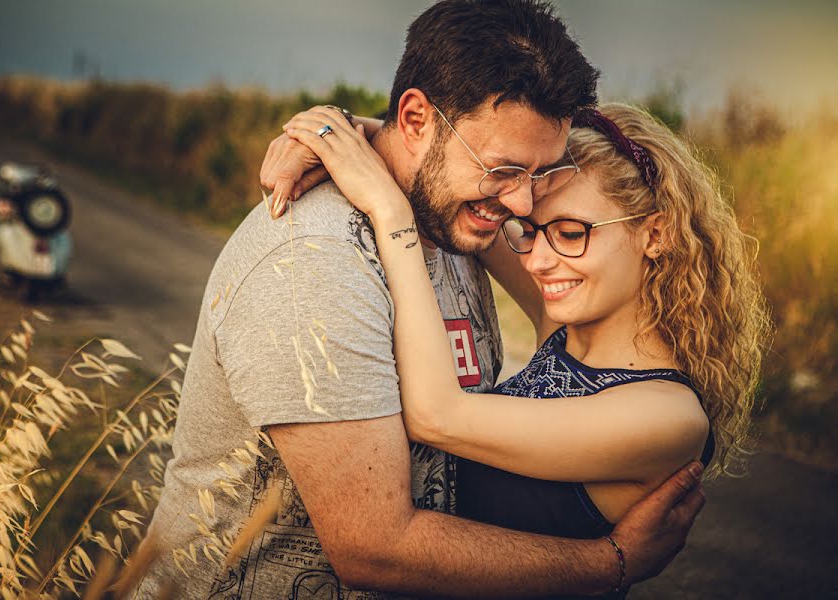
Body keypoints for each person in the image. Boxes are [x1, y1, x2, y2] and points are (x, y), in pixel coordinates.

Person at [138, 2, 707, 598]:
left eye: (536, 174)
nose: (523, 209)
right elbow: (372, 545)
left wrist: (343, 128)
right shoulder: (313, 261)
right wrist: (611, 563)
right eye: (505, 169)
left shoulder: (460, 223)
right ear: (417, 120)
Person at [275, 101, 770, 597]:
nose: (538, 262)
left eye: (571, 233)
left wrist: (390, 212)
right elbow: (451, 193)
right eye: (530, 232)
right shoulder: (567, 320)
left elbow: (435, 415)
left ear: (655, 233)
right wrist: (335, 133)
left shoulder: (667, 417)